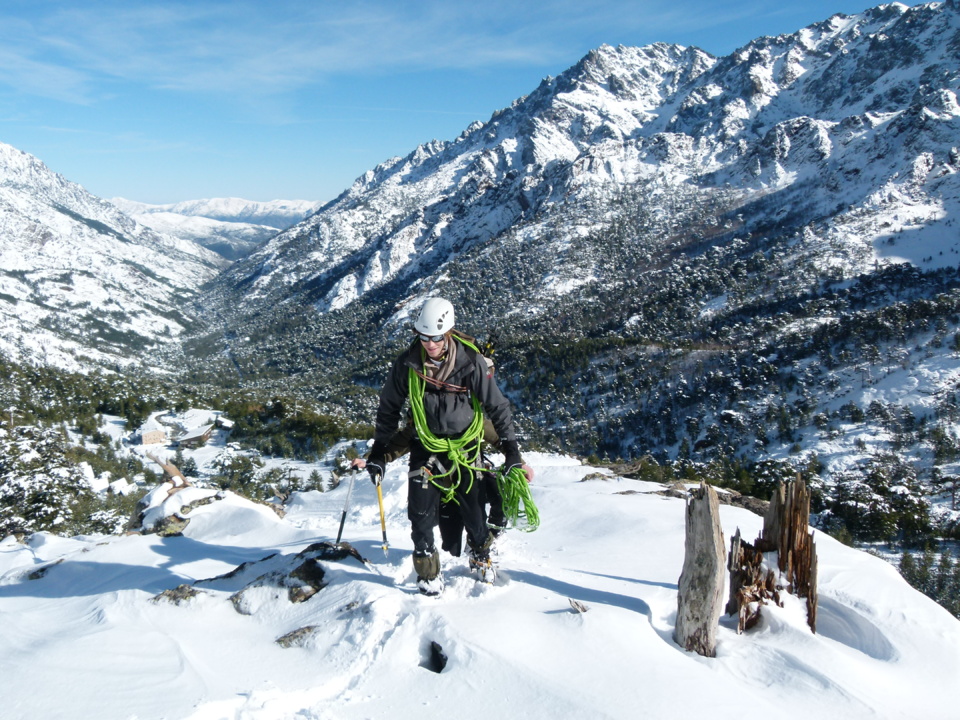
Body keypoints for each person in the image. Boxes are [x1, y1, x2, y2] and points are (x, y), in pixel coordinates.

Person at [365, 297, 527, 595]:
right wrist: (378, 454)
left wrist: (512, 452)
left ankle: (480, 554)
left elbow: (497, 406)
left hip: (466, 447)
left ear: (449, 333)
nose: (429, 344)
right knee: (420, 516)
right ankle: (427, 574)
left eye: (436, 338)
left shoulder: (471, 362)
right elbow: (389, 409)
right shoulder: (407, 365)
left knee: (475, 512)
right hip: (425, 446)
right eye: (423, 337)